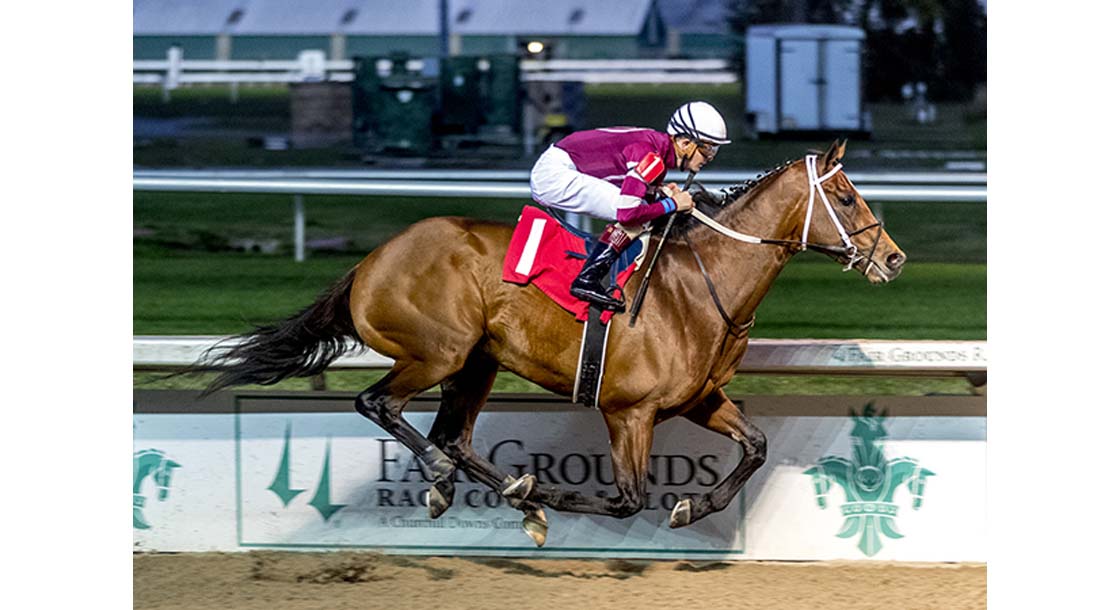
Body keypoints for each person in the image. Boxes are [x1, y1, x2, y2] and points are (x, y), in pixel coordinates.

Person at [529, 101, 730, 312]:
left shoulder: (655, 149)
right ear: (685, 143)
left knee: (647, 207)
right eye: (707, 148)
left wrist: (662, 194)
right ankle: (587, 279)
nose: (710, 157)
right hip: (553, 175)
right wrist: (673, 203)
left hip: (561, 164)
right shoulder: (652, 157)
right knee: (637, 213)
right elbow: (628, 214)